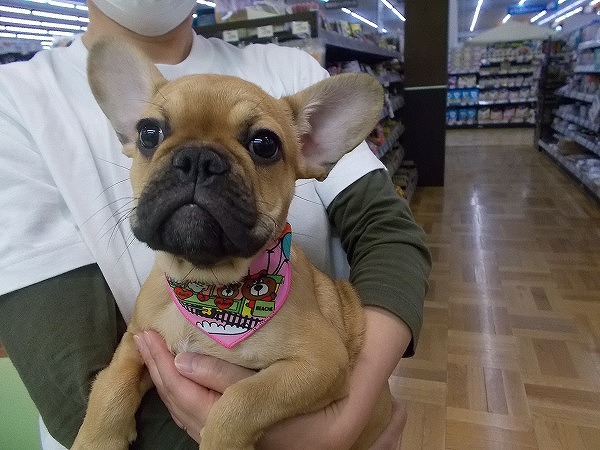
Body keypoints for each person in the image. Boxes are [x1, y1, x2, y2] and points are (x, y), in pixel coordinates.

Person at [0, 0, 431, 448]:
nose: (197, 169)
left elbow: (388, 235)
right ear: (128, 133)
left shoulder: (291, 68)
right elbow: (81, 376)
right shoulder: (14, 103)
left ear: (309, 148)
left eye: (261, 145)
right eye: (153, 135)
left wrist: (345, 419)